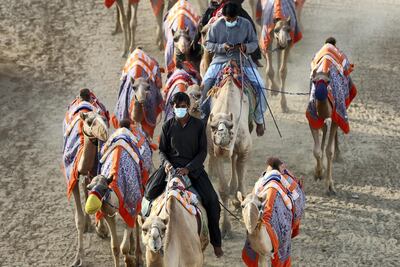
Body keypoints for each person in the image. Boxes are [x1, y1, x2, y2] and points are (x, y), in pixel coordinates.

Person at [144, 92, 224, 258]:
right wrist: (166, 164)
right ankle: (147, 235)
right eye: (176, 107)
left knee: (212, 201)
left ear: (188, 107)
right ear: (172, 108)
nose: (180, 109)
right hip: (170, 169)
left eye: (182, 106)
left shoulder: (199, 125)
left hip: (193, 170)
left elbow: (202, 152)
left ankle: (216, 243)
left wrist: (188, 168)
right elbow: (162, 151)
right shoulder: (167, 126)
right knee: (148, 194)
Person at [201, 2, 267, 136]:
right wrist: (221, 47)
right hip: (220, 60)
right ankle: (203, 118)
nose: (230, 22)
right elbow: (208, 44)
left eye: (232, 19)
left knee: (260, 85)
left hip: (243, 61)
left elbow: (254, 43)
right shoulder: (216, 25)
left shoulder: (246, 25)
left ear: (237, 16)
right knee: (205, 84)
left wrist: (245, 47)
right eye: (227, 19)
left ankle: (259, 119)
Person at [198, 0, 263, 67]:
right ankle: (195, 50)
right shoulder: (216, 24)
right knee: (202, 22)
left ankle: (254, 57)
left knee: (249, 23)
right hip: (217, 5)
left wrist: (246, 47)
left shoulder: (246, 23)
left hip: (232, 5)